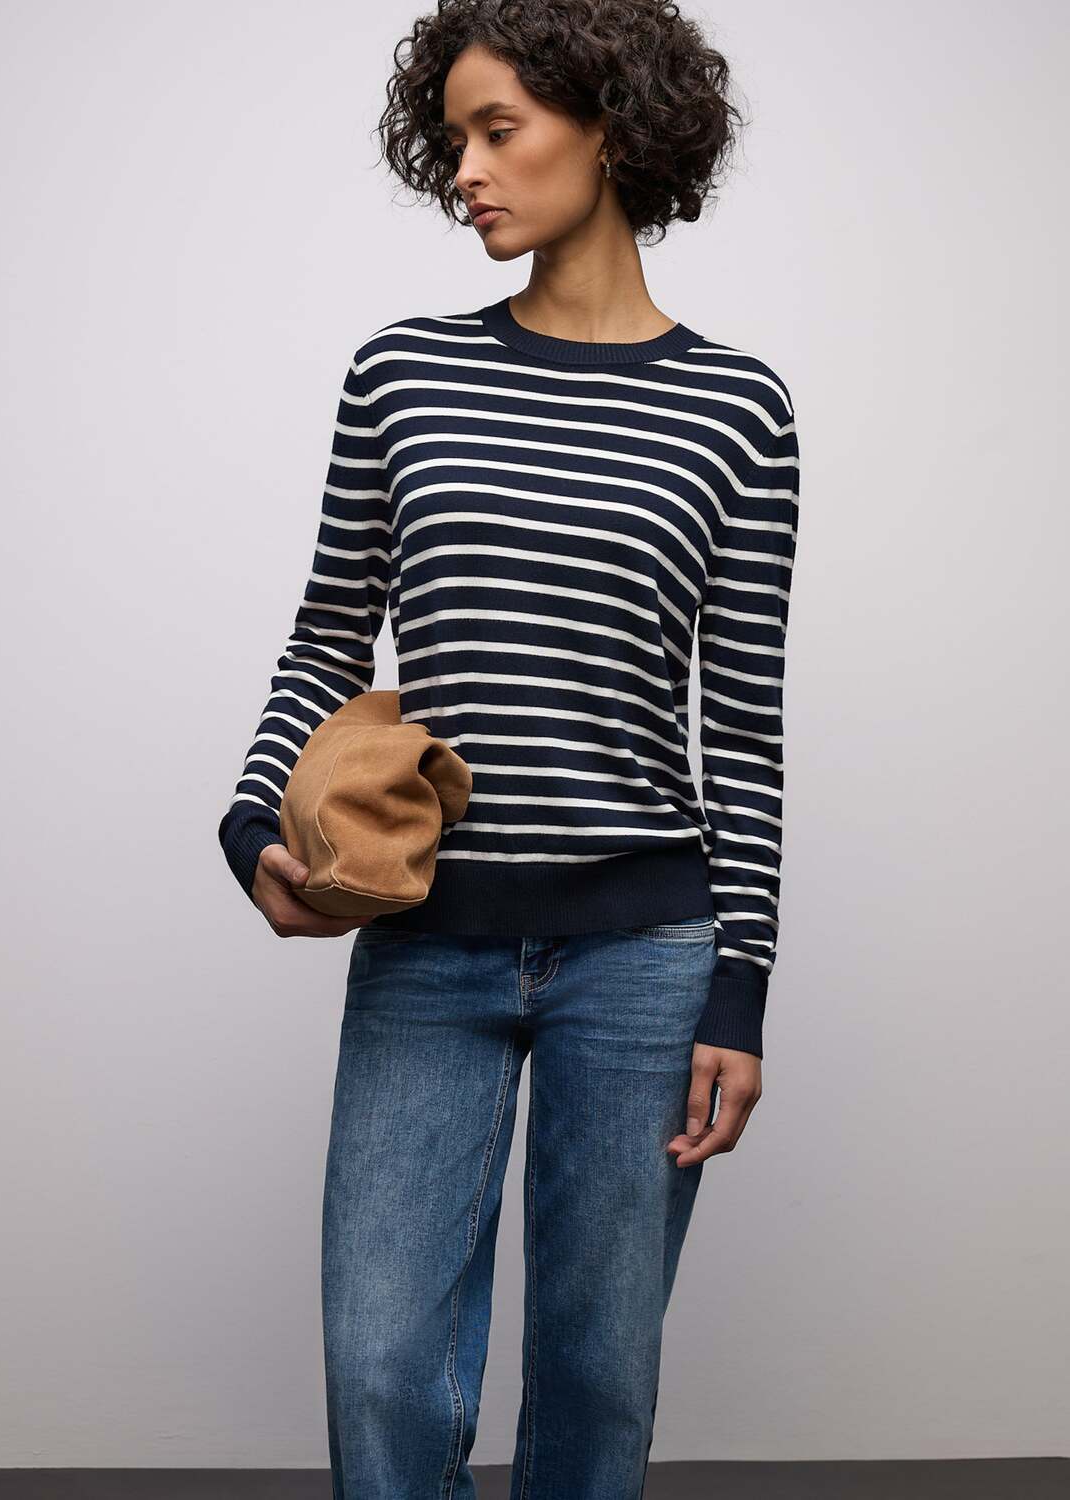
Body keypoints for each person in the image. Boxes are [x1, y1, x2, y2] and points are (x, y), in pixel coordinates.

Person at [217, 2, 800, 1494]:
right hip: (428, 940)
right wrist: (251, 828)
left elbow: (742, 726)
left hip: (645, 955)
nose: (466, 172)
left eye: (501, 130)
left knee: (600, 1380)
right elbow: (326, 638)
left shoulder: (737, 411)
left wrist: (738, 989)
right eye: (454, 138)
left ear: (610, 128)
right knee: (382, 1368)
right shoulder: (400, 375)